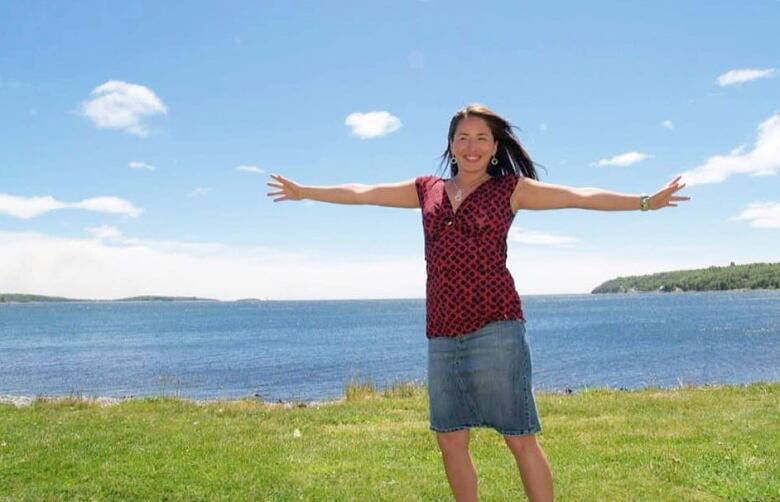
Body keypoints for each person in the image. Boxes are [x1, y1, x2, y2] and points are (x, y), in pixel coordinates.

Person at [266, 103, 690, 502]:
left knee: (519, 436)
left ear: (495, 146)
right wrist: (305, 191)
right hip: (443, 330)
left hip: (497, 327)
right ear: (451, 145)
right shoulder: (425, 189)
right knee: (449, 437)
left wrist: (644, 202)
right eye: (462, 137)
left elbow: (578, 196)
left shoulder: (511, 189)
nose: (471, 147)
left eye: (481, 138)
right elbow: (363, 192)